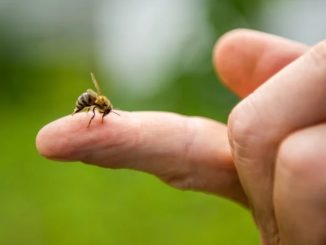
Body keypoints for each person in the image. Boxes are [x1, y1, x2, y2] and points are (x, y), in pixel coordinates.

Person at [36, 29, 326, 245]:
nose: (103, 111)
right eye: (103, 110)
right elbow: (93, 105)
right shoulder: (97, 105)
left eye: (103, 110)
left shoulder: (101, 106)